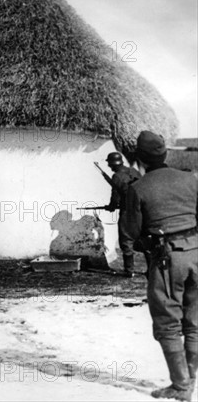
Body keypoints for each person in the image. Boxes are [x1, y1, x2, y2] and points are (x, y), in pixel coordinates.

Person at [121, 131, 197, 402]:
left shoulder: (138, 188)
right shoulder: (190, 179)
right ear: (165, 154)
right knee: (194, 323)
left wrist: (139, 247)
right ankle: (189, 381)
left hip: (167, 260)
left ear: (139, 159)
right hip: (197, 254)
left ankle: (180, 386)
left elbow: (130, 231)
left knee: (167, 323)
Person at [103, 152, 142, 277]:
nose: (109, 166)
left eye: (109, 164)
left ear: (112, 164)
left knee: (126, 240)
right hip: (141, 211)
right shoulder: (134, 172)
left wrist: (111, 206)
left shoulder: (117, 176)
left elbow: (115, 196)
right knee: (145, 239)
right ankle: (152, 270)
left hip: (127, 212)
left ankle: (129, 271)